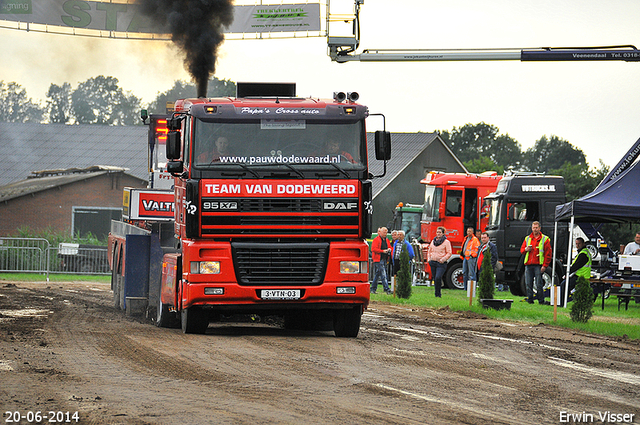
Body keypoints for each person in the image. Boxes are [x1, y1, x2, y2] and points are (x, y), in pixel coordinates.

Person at [520, 221, 553, 305]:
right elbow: (522, 250)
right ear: (531, 228)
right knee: (528, 283)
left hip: (538, 265)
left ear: (539, 228)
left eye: (536, 228)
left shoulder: (544, 239)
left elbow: (548, 254)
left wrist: (545, 266)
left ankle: (541, 301)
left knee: (539, 284)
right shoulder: (527, 238)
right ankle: (530, 300)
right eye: (534, 228)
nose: (535, 229)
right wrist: (526, 249)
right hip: (528, 265)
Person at [558, 237, 592, 302]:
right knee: (566, 285)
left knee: (564, 284)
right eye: (576, 244)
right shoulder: (583, 252)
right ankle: (564, 300)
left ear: (583, 244)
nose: (577, 246)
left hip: (581, 276)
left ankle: (561, 302)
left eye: (579, 244)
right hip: (582, 275)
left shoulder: (583, 254)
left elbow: (576, 266)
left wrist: (567, 273)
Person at [427, 226, 452, 298]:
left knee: (438, 277)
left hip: (441, 263)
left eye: (440, 232)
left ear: (443, 233)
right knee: (435, 278)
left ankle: (439, 293)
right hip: (433, 262)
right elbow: (430, 251)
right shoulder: (433, 241)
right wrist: (429, 259)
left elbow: (449, 253)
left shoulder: (446, 242)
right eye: (437, 232)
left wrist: (443, 259)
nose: (438, 234)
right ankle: (436, 294)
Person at [371, 227, 392, 295]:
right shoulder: (376, 240)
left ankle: (373, 288)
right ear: (380, 232)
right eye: (384, 232)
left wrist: (389, 249)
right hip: (378, 259)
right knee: (383, 274)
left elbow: (389, 246)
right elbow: (373, 249)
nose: (385, 234)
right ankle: (386, 289)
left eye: (386, 232)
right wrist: (382, 251)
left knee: (378, 275)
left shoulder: (387, 240)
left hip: (384, 259)